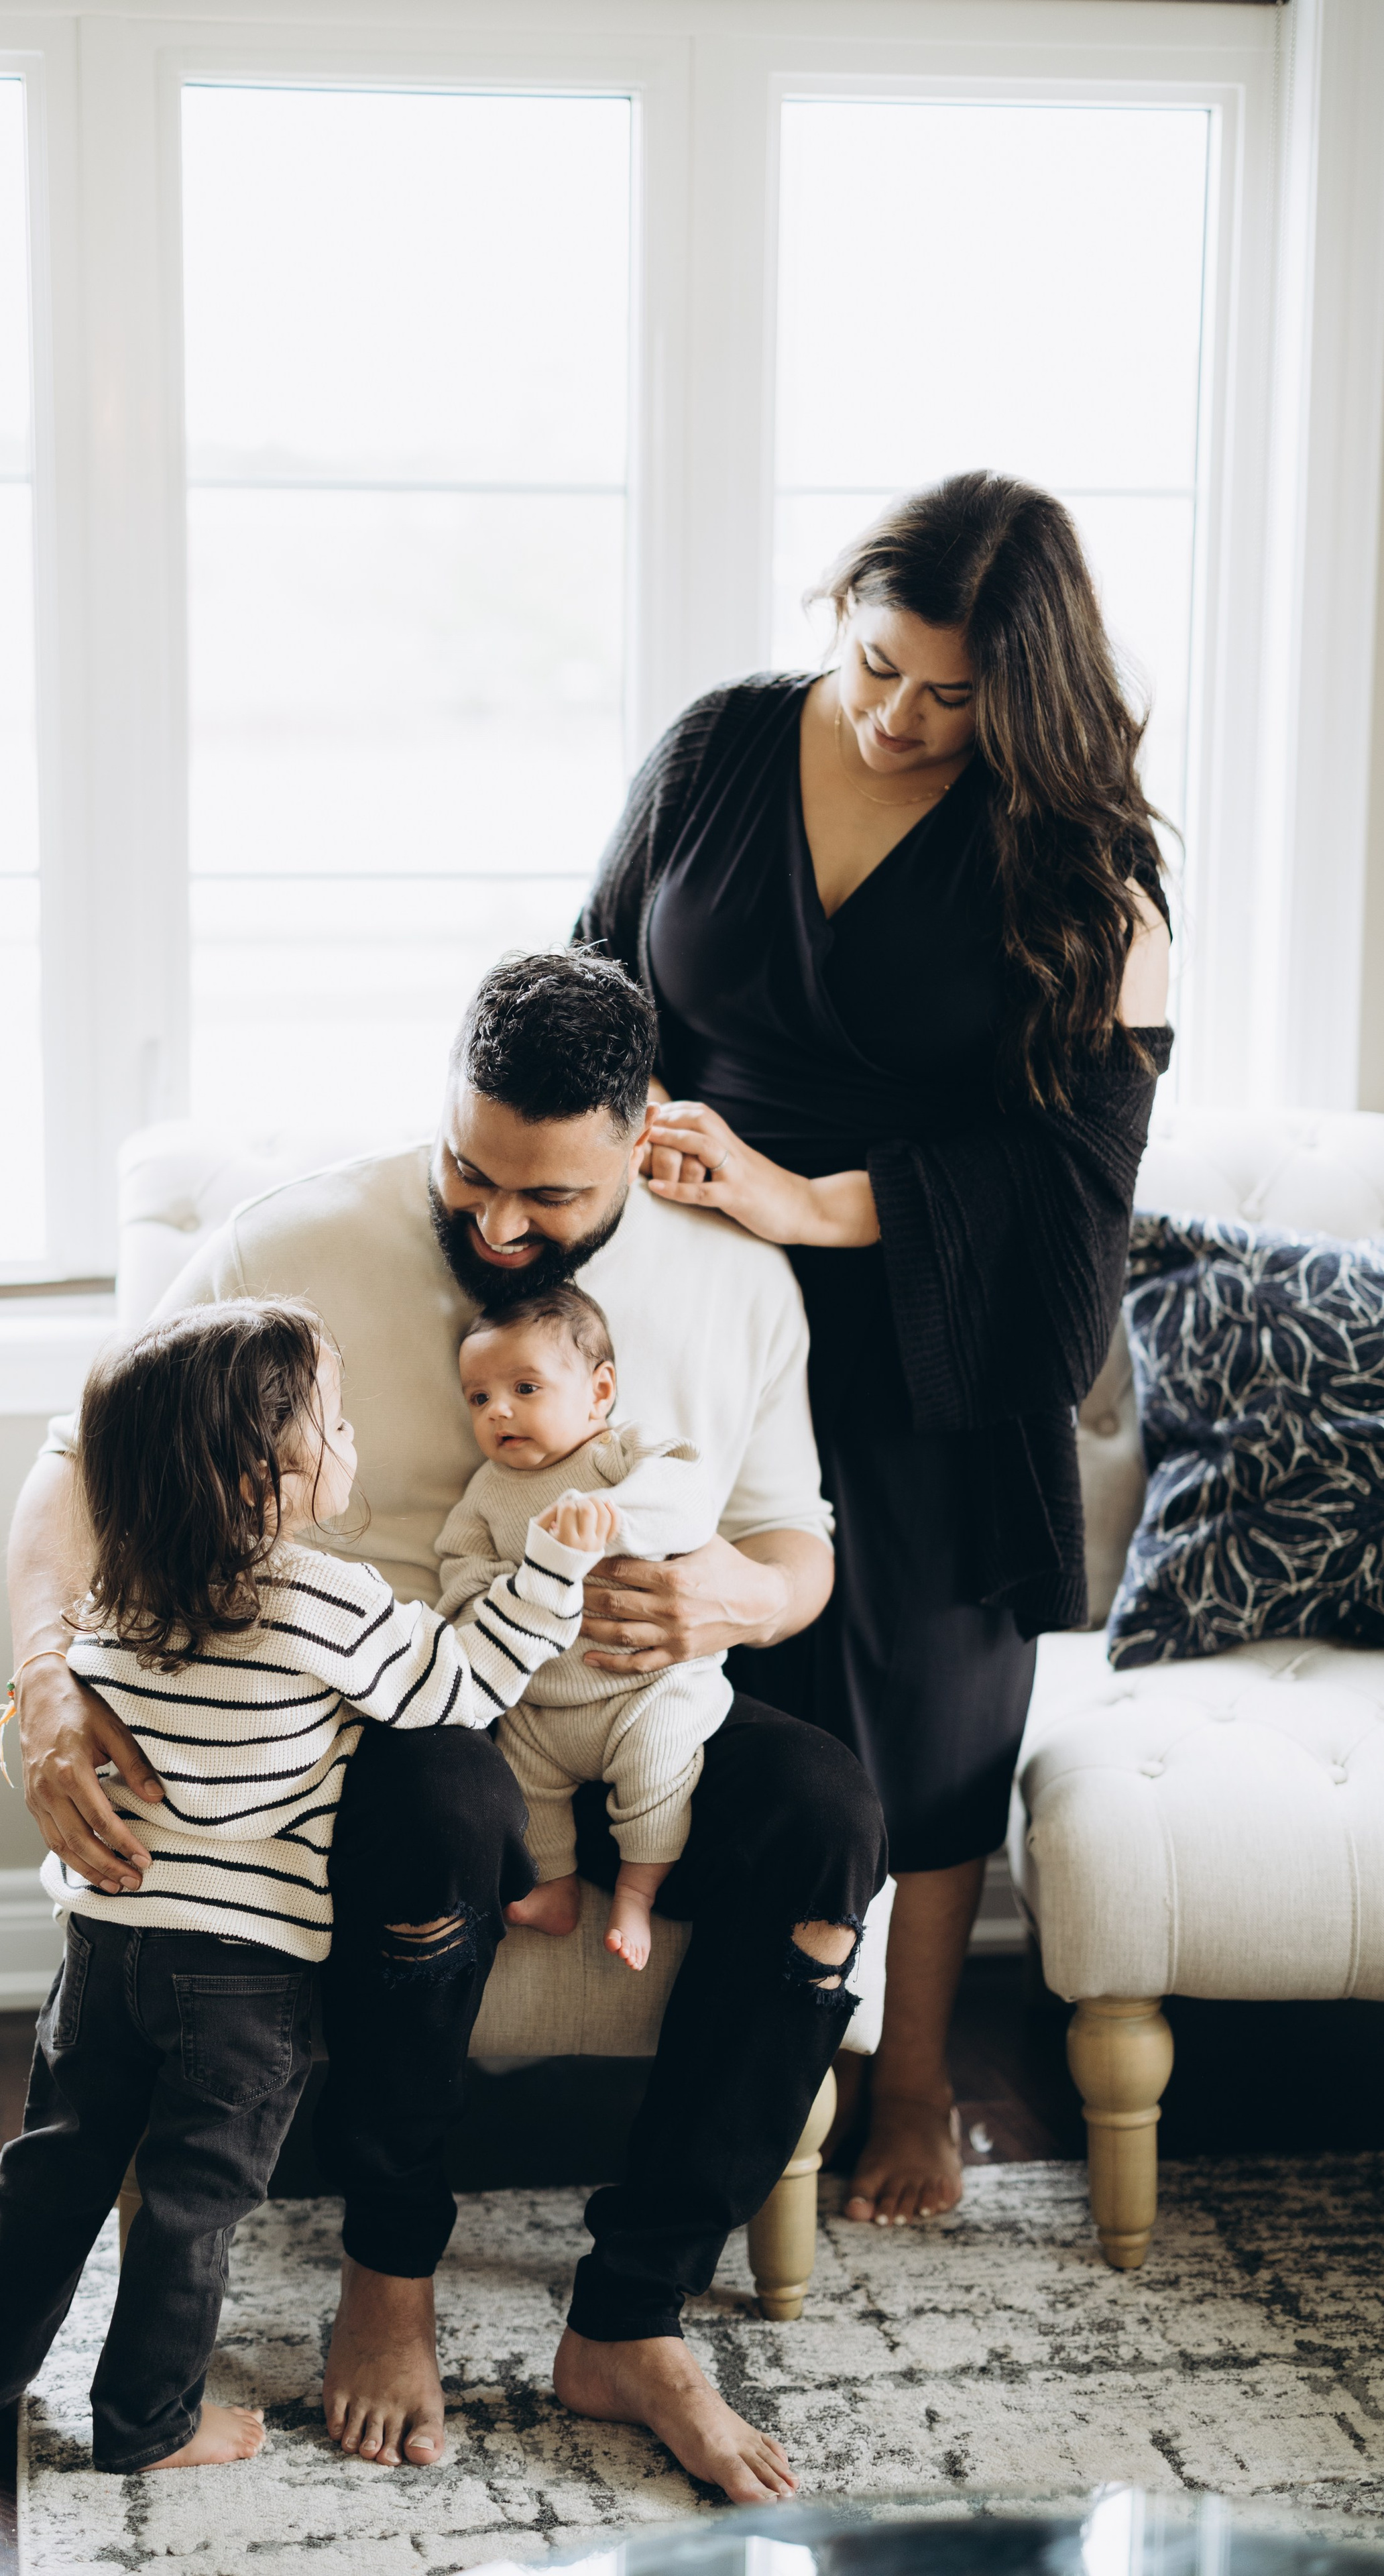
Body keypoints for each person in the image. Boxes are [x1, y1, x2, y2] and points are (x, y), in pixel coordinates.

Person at [6, 948, 887, 2504]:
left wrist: (736, 1597)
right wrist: (44, 1676)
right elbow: (77, 1461)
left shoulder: (736, 1277)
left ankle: (629, 2317)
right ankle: (389, 2267)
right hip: (396, 1716)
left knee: (831, 1821)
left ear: (638, 1134)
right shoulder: (289, 1240)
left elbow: (795, 1544)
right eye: (469, 1171)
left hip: (643, 1702)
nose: (494, 1222)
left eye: (546, 1196)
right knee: (436, 1795)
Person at [575, 468, 1174, 2229]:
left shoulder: (1084, 880)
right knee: (727, 1700)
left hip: (929, 1334)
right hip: (693, 1305)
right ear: (838, 610)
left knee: (925, 1712)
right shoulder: (716, 750)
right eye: (874, 664)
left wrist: (811, 1200)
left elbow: (1070, 1191)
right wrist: (636, 1143)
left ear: (1029, 697)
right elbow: (595, 974)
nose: (896, 717)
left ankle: (910, 2076)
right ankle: (756, 2067)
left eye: (951, 696)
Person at [0, 1296, 614, 2476]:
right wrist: (553, 1571)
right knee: (192, 2205)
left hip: (104, 1946)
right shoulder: (321, 1601)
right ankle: (148, 2422)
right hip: (242, 1979)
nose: (354, 1440)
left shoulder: (107, 1599)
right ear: (263, 1478)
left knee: (55, 2162)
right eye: (337, 1425)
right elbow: (461, 1688)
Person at [437, 1282, 732, 1972]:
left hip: (645, 1691)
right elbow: (461, 1580)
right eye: (478, 1397)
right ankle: (554, 1885)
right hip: (545, 1704)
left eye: (525, 1387)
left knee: (660, 1763)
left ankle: (636, 1891)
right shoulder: (485, 1493)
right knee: (519, 1777)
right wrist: (519, 1589)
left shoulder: (620, 1454)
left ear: (599, 1392)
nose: (498, 1409)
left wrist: (612, 1521)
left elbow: (689, 1496)